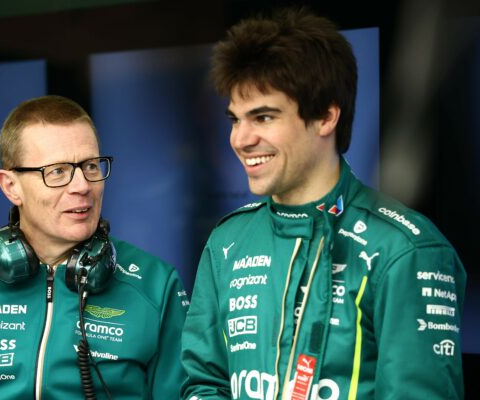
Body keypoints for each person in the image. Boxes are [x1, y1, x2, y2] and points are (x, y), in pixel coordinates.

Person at [181, 7, 466, 400]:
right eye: (235, 119)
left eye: (263, 117)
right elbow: (203, 383)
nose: (240, 139)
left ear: (325, 116)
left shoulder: (404, 249)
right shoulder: (228, 243)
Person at [0, 95, 189, 399]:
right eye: (58, 171)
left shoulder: (156, 284)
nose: (82, 186)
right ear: (11, 186)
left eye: (90, 166)